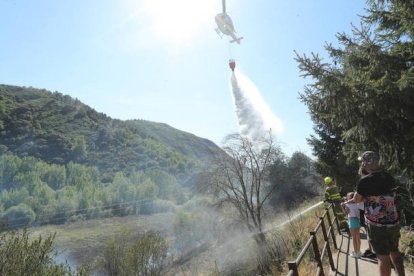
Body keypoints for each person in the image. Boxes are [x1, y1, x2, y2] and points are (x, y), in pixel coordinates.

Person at [345, 151, 405, 276]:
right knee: (395, 251)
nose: (362, 164)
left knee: (382, 257)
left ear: (366, 162)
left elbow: (356, 200)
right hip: (393, 221)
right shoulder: (388, 177)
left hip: (377, 224)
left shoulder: (365, 181)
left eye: (363, 161)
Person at [341, 192, 362, 258]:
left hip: (352, 221)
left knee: (354, 238)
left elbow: (345, 213)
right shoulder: (358, 203)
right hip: (358, 220)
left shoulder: (348, 205)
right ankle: (358, 251)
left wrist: (342, 207)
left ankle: (355, 253)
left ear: (349, 198)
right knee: (358, 237)